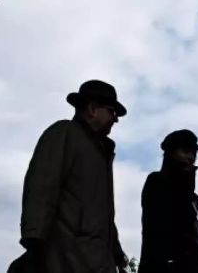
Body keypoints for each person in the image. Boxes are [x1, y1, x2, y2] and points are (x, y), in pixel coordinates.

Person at [9, 80, 130, 273]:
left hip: (96, 260)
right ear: (92, 109)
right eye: (111, 111)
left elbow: (104, 214)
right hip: (67, 259)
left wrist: (116, 253)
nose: (115, 119)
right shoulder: (64, 133)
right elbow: (42, 187)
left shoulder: (101, 152)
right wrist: (35, 242)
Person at [138, 129, 198, 273]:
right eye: (186, 151)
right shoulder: (156, 182)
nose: (191, 157)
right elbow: (162, 229)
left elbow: (193, 237)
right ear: (170, 153)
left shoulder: (191, 197)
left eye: (194, 153)